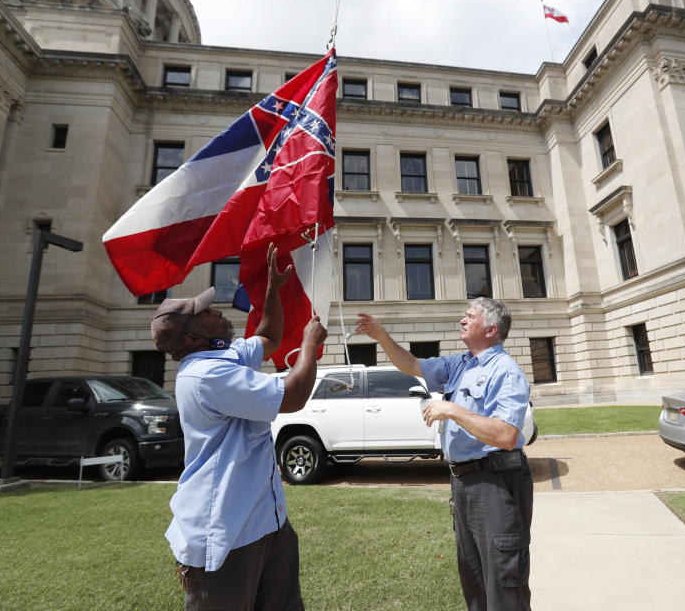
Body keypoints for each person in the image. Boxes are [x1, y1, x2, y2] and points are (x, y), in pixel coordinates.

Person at [151, 244, 326, 611]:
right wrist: (310, 345)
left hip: (266, 522)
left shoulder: (220, 355)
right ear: (192, 339)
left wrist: (273, 289)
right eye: (207, 313)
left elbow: (269, 338)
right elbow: (293, 396)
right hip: (226, 534)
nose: (218, 311)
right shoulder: (206, 375)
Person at [355, 298, 533, 611]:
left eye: (471, 316)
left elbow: (506, 435)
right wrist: (382, 337)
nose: (462, 320)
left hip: (496, 484)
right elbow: (411, 365)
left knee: (504, 585)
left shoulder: (506, 371)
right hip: (464, 485)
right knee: (474, 579)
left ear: (491, 329)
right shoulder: (460, 363)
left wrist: (452, 409)